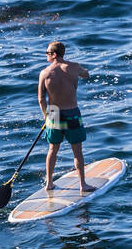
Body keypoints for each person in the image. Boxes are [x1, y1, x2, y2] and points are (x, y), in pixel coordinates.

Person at [38, 41, 93, 192]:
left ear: (54, 54)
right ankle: (83, 184)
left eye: (48, 53)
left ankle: (49, 183)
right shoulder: (74, 67)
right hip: (72, 111)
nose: (46, 55)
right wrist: (82, 72)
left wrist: (46, 116)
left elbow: (41, 99)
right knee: (77, 150)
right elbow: (86, 75)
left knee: (52, 149)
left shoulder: (44, 73)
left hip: (54, 112)